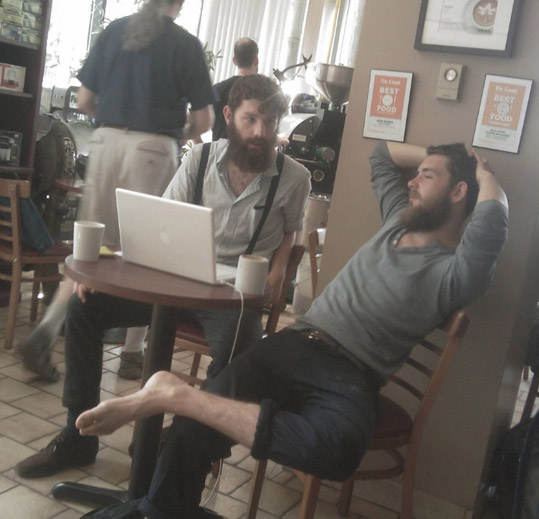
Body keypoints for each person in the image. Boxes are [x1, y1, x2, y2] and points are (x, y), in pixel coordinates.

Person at [65, 138, 508, 519]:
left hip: (352, 373)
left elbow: (492, 223)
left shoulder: (457, 272)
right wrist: (439, 155)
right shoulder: (397, 220)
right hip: (293, 344)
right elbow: (381, 155)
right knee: (190, 433)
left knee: (337, 450)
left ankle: (180, 397)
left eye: (427, 176)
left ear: (459, 192)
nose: (412, 181)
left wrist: (485, 174)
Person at [14, 74, 311, 482]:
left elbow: (291, 232)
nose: (261, 132)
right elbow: (158, 224)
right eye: (251, 119)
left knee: (243, 351)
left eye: (271, 122)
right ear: (228, 116)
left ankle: (179, 443)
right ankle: (77, 435)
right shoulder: (199, 160)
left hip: (231, 297)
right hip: (175, 278)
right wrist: (107, 271)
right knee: (84, 306)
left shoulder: (294, 178)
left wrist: (278, 269)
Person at [16, 0, 215, 382]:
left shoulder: (114, 32)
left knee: (90, 250)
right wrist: (177, 135)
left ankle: (45, 332)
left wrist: (117, 119)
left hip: (105, 144)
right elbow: (204, 120)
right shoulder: (185, 44)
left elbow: (84, 101)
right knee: (147, 255)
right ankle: (132, 353)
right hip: (152, 150)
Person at [211, 37, 259, 141]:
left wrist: (202, 147)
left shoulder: (217, 90)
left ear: (234, 61)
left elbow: (196, 121)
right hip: (249, 150)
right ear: (256, 61)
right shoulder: (262, 92)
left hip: (218, 151)